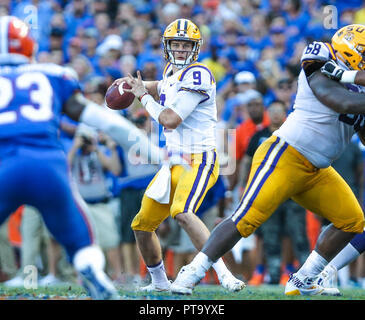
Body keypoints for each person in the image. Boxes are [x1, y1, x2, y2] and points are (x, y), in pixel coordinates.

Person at [170, 23, 365, 296]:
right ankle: (192, 272)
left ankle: (304, 280)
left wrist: (355, 82)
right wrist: (352, 80)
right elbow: (334, 99)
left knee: (352, 221)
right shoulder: (321, 56)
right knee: (245, 218)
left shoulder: (357, 88)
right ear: (352, 52)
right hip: (285, 154)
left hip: (318, 170)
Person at [0, 15, 164, 299]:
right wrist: (156, 154)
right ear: (29, 47)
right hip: (48, 166)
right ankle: (90, 267)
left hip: (4, 166)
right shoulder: (52, 75)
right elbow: (107, 122)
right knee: (81, 240)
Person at [115, 18, 245, 293]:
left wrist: (142, 98)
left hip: (200, 159)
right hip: (174, 161)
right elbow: (162, 85)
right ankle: (160, 282)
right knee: (141, 224)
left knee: (182, 212)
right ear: (167, 46)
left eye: (186, 44)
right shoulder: (173, 73)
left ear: (195, 48)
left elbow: (170, 119)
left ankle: (225, 275)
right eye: (177, 43)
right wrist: (131, 84)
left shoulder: (199, 74)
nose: (181, 49)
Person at [244, 101, 310, 284]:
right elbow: (248, 163)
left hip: (293, 193)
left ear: (285, 114)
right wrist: (246, 186)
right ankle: (273, 275)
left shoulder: (294, 135)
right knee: (269, 235)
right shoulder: (259, 136)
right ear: (268, 113)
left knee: (298, 234)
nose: (275, 115)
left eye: (278, 111)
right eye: (271, 111)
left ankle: (308, 274)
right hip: (268, 192)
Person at [67, 124, 123, 283]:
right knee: (82, 243)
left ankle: (118, 275)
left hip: (100, 204)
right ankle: (84, 276)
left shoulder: (98, 154)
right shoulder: (74, 155)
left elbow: (115, 169)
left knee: (111, 241)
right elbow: (65, 167)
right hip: (81, 206)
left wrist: (97, 148)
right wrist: (75, 146)